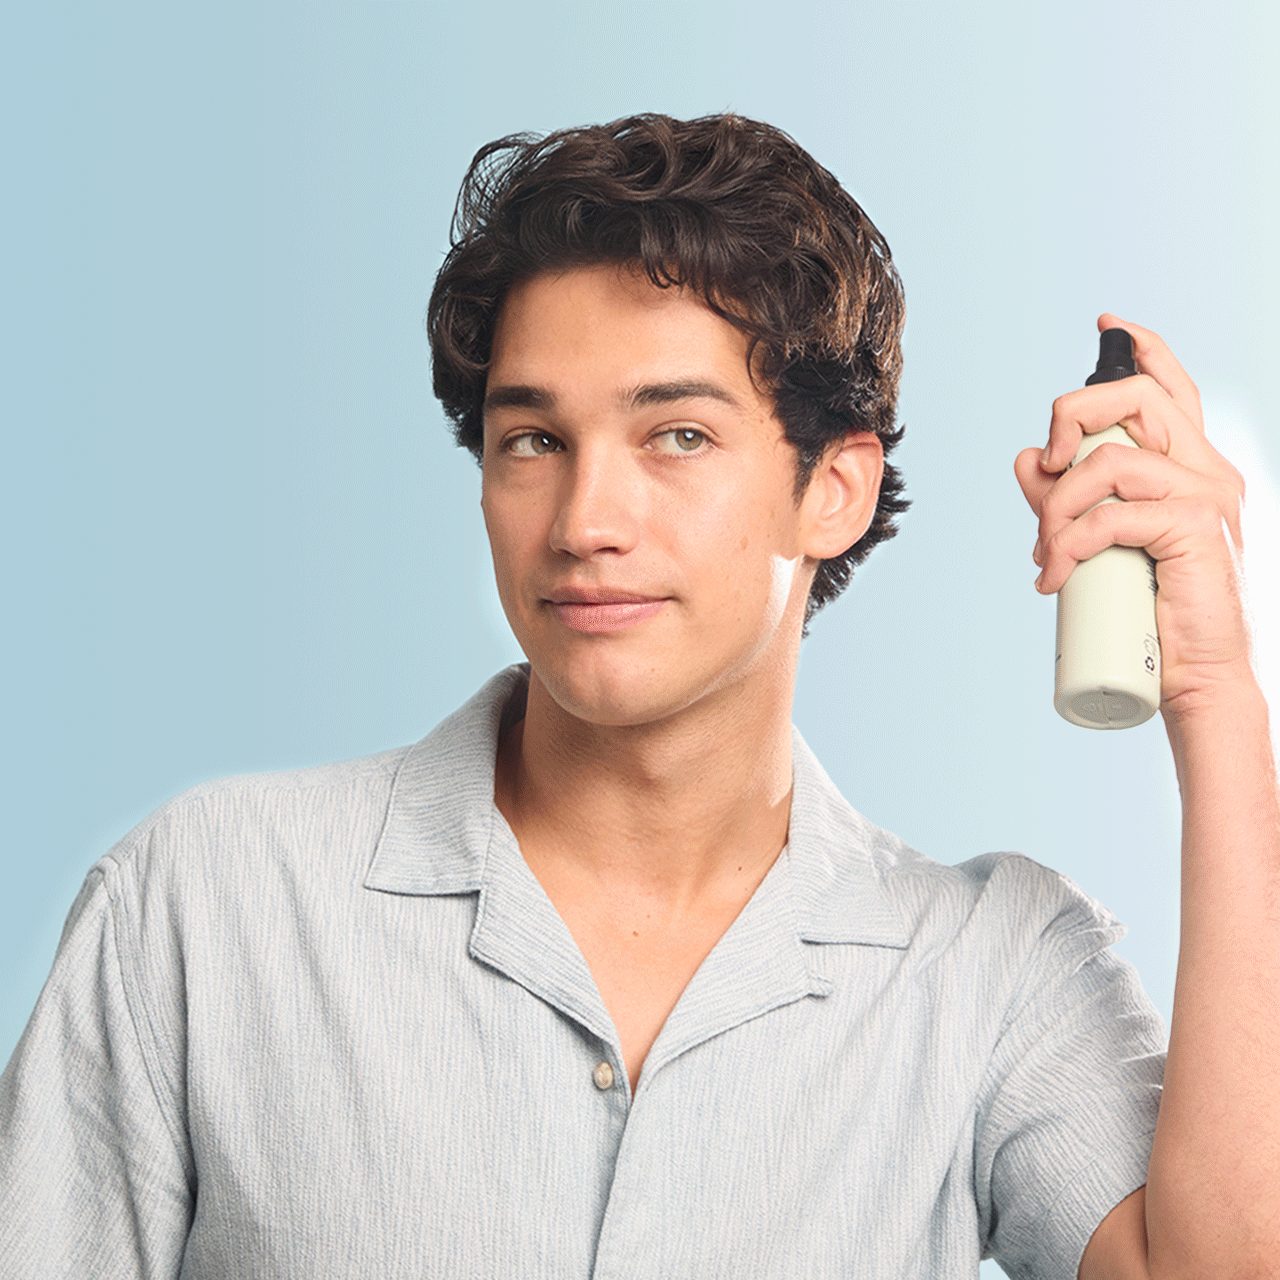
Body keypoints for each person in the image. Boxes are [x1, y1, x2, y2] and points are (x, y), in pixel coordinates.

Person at [1, 113, 1276, 1279]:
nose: (583, 520)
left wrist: (1214, 695)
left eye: (675, 434)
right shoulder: (203, 906)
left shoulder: (988, 974)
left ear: (829, 488)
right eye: (532, 440)